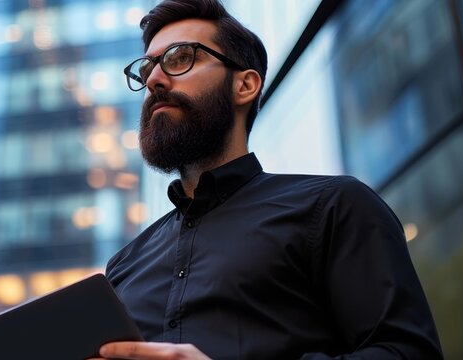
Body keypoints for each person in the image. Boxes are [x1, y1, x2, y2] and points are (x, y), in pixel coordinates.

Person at [91, 0, 443, 359]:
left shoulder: (333, 207)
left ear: (244, 85)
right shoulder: (124, 266)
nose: (153, 79)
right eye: (147, 68)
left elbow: (409, 353)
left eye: (180, 57)